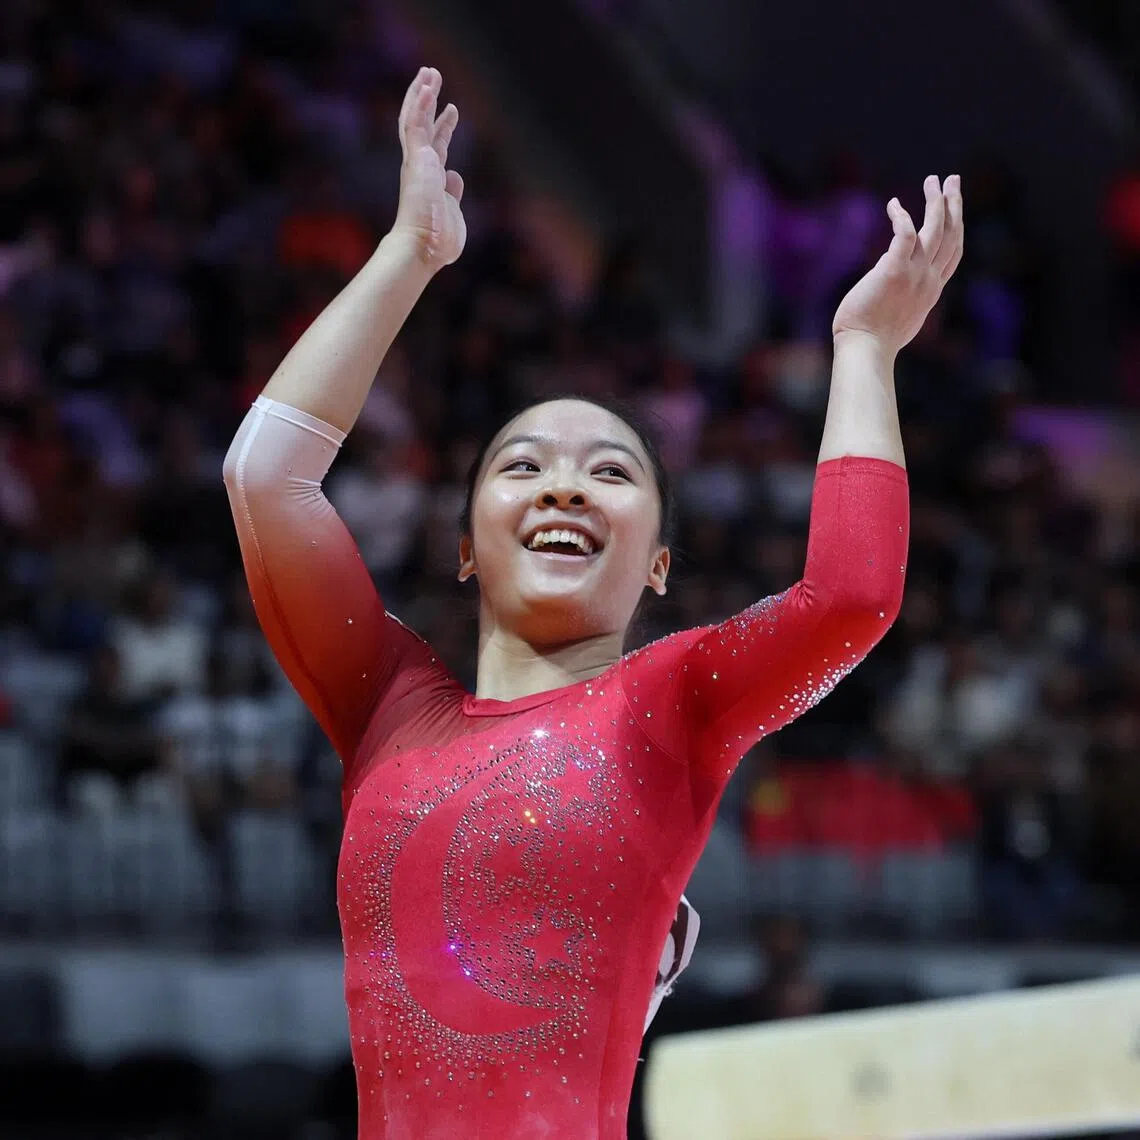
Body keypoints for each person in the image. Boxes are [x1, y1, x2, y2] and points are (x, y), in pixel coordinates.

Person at [224, 66, 963, 1140]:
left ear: (657, 565)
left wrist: (863, 349)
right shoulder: (384, 701)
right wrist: (409, 252)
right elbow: (265, 478)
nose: (564, 486)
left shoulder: (670, 704)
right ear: (466, 550)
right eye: (522, 466)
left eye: (610, 473)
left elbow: (850, 597)